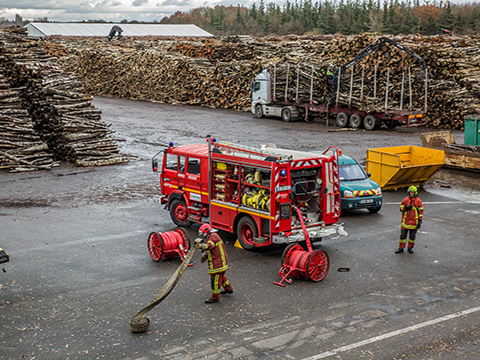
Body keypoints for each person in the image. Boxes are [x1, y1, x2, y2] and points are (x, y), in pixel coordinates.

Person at [195, 224, 233, 304]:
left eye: (203, 234)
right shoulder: (213, 235)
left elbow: (209, 246)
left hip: (217, 264)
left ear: (206, 231)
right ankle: (228, 289)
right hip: (221, 263)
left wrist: (201, 246)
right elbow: (212, 248)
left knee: (215, 281)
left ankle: (215, 297)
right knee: (222, 277)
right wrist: (205, 254)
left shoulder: (212, 237)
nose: (203, 236)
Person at [395, 186, 424, 254]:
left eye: (412, 192)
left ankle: (410, 248)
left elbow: (421, 211)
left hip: (414, 223)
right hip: (405, 222)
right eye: (410, 192)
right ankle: (401, 248)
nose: (411, 193)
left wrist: (420, 221)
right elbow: (401, 208)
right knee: (402, 237)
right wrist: (406, 208)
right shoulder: (405, 200)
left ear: (415, 193)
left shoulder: (418, 201)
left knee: (412, 237)